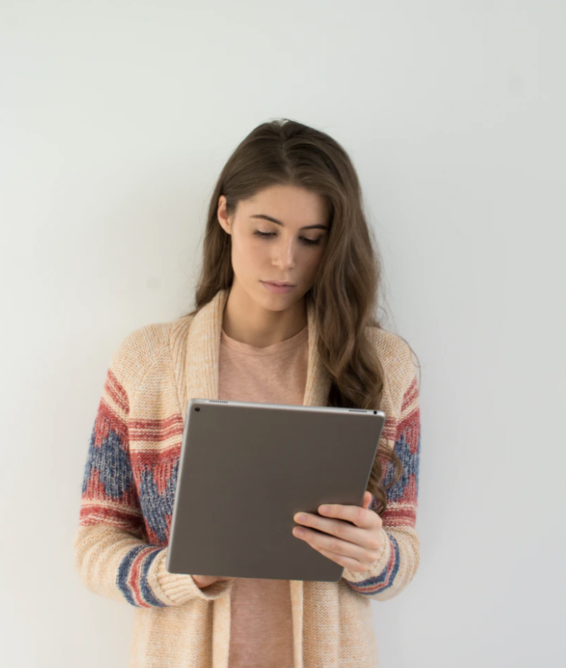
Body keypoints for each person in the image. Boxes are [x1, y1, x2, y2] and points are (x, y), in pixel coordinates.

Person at [73, 118, 422, 668]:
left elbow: (402, 549)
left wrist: (376, 556)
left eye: (312, 239)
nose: (286, 260)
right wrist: (180, 574)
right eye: (266, 231)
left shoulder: (384, 365)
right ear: (225, 214)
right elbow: (96, 542)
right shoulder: (147, 362)